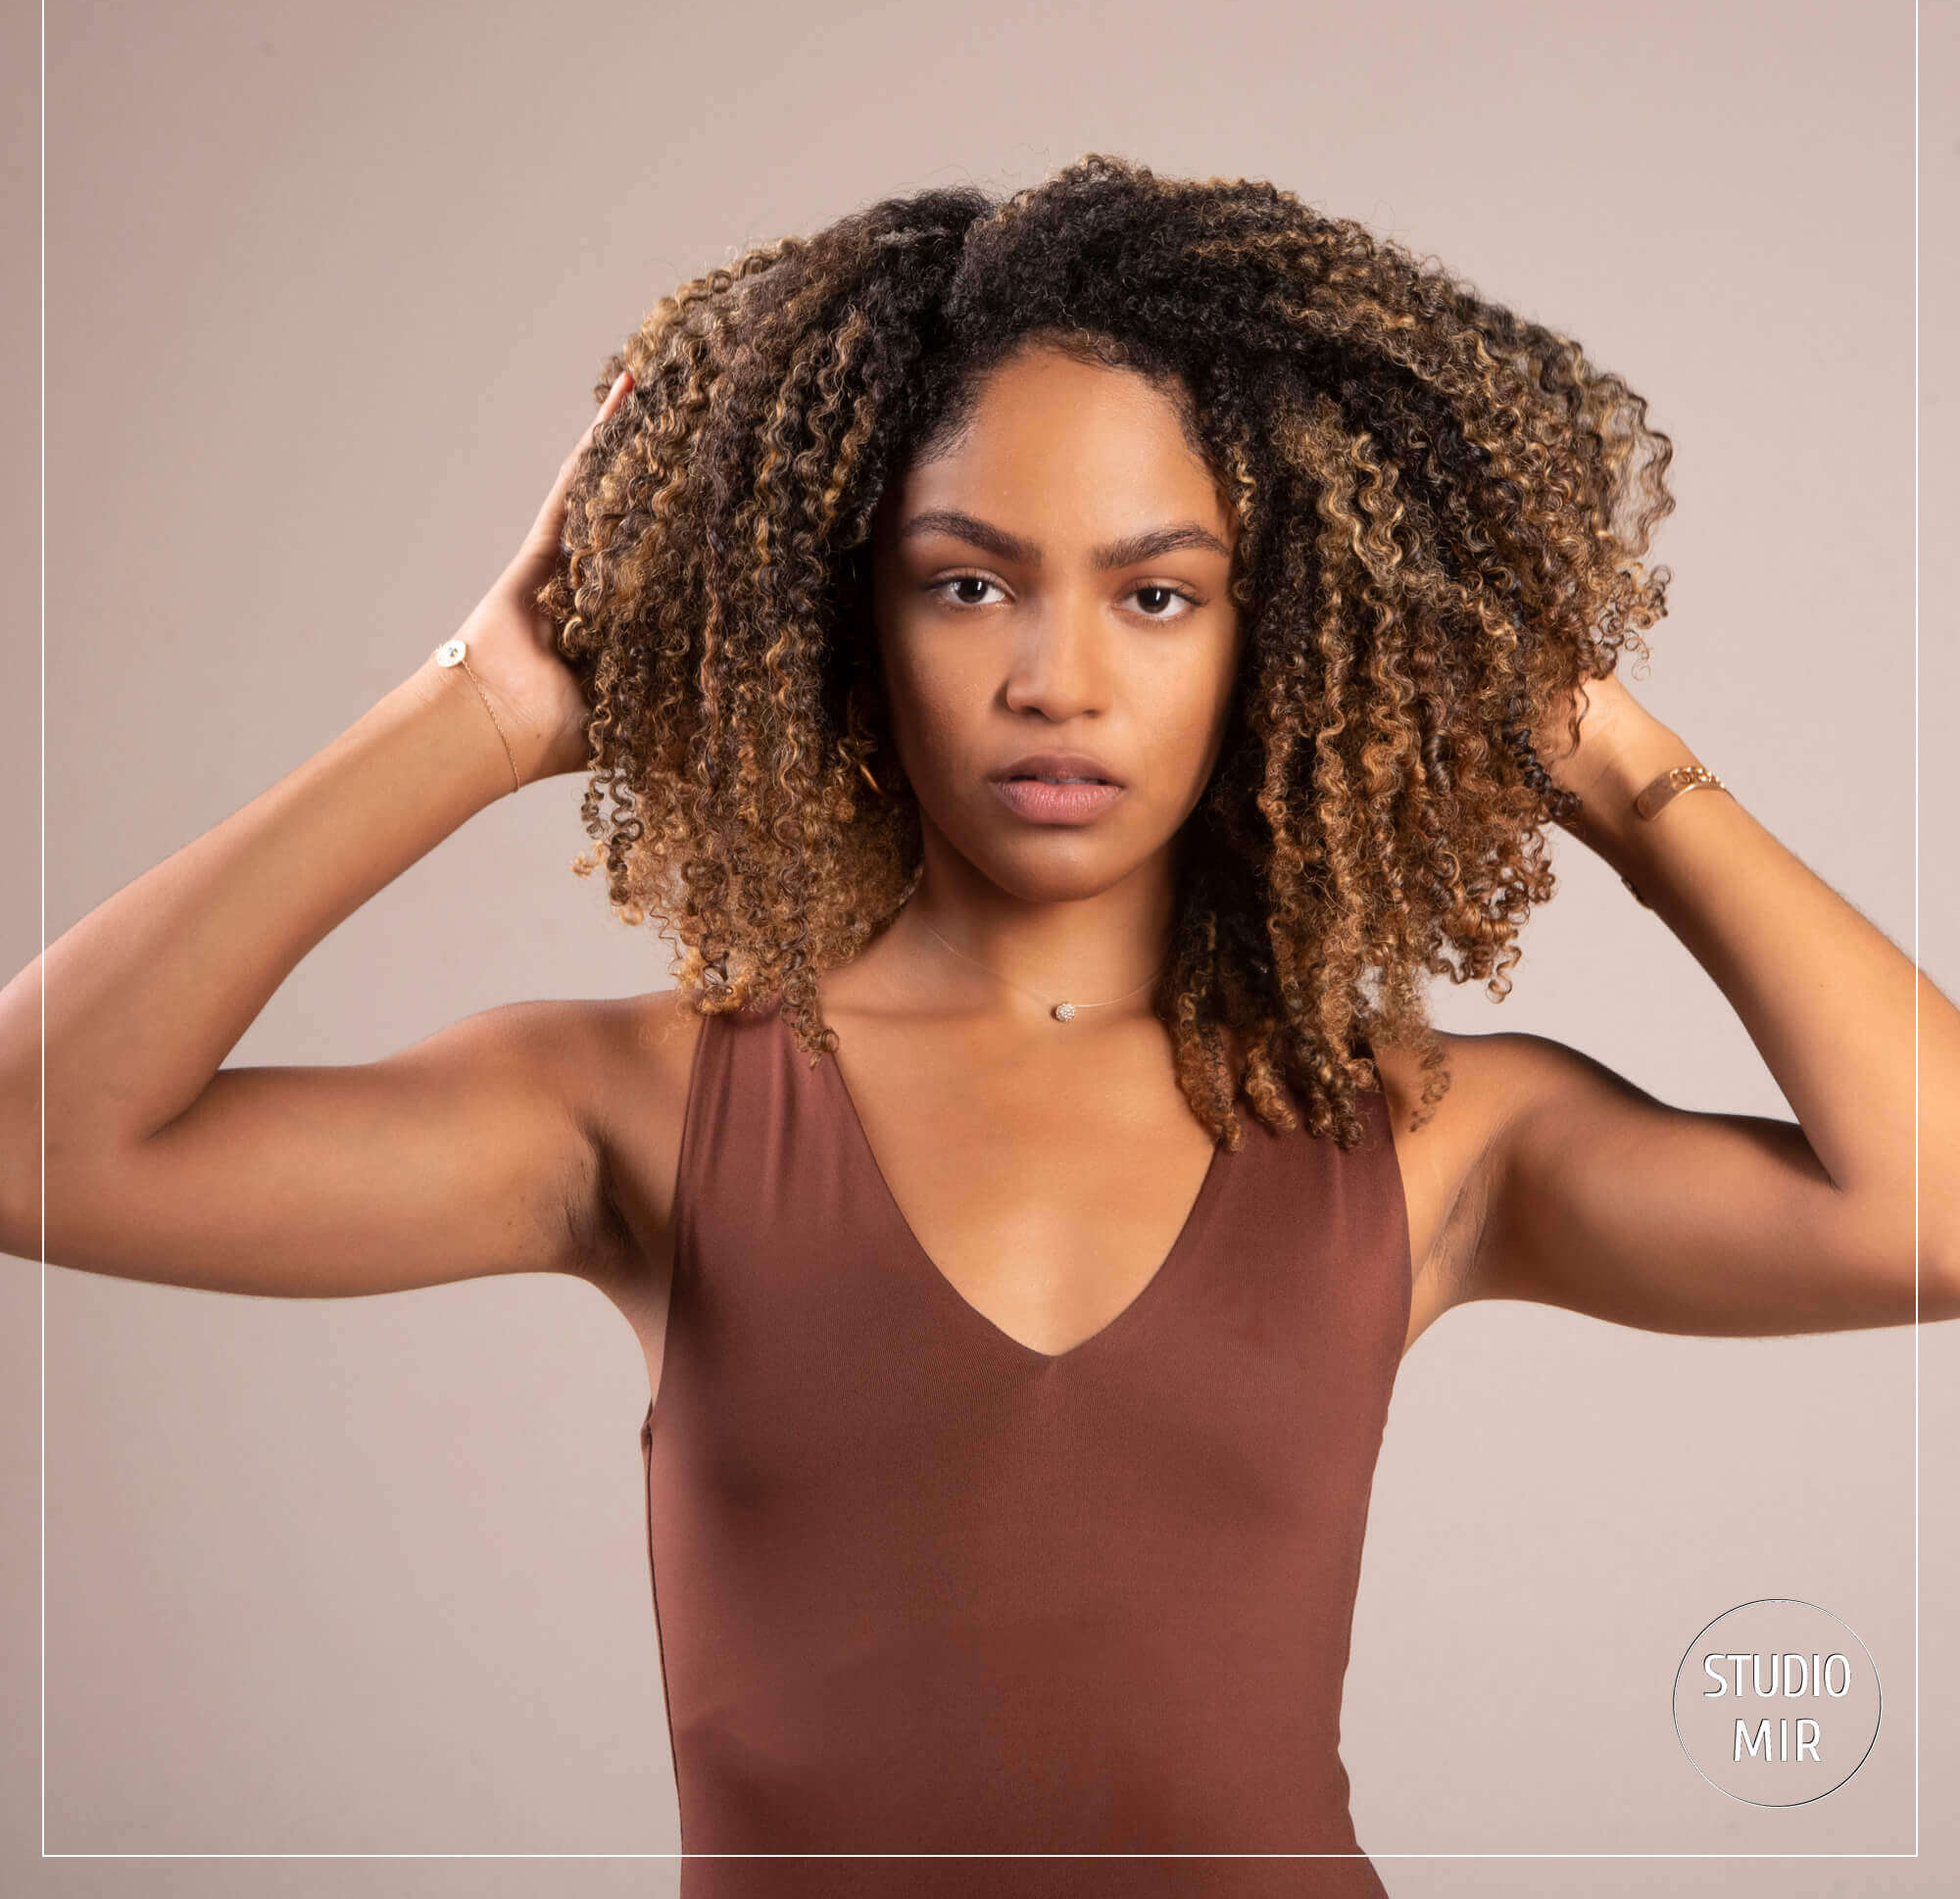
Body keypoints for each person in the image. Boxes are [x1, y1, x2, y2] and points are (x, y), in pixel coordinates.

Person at [3, 154, 1952, 1897]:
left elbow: (1925, 1211)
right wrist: (490, 706)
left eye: (1160, 597)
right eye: (966, 582)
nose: (1057, 679)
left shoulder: (1420, 1134)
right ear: (839, 615)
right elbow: (39, 1139)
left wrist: (1612, 762)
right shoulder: (647, 1108)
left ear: (1283, 630)